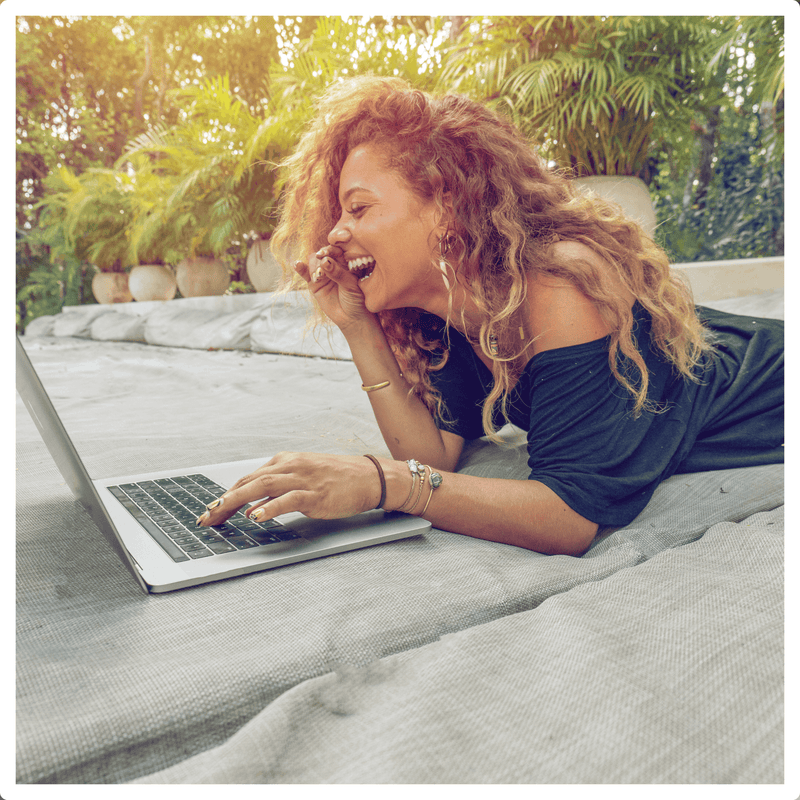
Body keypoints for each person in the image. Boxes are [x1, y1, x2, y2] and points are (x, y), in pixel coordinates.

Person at [197, 76, 784, 557]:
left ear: (446, 204)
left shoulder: (561, 282)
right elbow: (432, 456)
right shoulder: (446, 308)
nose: (336, 232)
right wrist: (358, 326)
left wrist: (383, 483)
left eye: (360, 208)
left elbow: (569, 516)